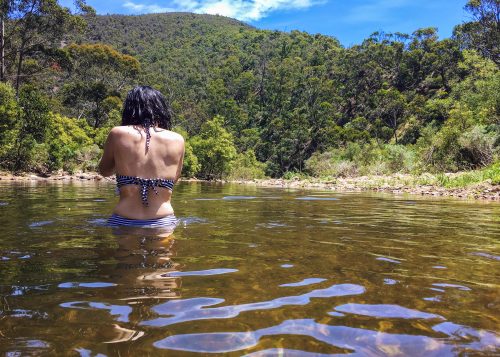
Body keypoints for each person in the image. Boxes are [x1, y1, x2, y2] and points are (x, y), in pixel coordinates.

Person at [99, 86, 185, 229]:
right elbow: (174, 179)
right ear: (160, 109)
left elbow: (105, 170)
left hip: (124, 220)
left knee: (124, 252)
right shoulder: (177, 139)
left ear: (130, 109)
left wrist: (123, 161)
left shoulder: (117, 133)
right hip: (163, 222)